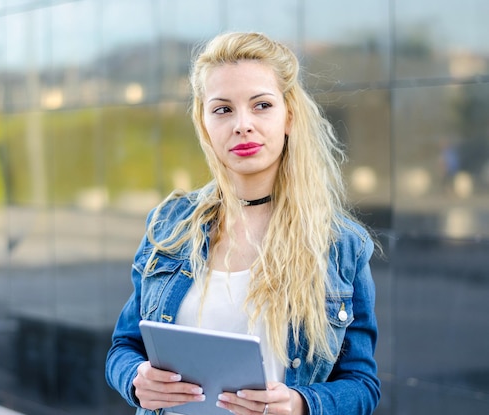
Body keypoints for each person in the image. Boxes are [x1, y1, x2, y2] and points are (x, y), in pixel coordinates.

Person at [105, 31, 380, 415]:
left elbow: (363, 385)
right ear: (204, 124)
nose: (242, 125)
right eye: (222, 109)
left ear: (289, 116)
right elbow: (124, 347)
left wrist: (302, 404)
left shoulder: (341, 244)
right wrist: (135, 379)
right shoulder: (169, 224)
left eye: (261, 105)